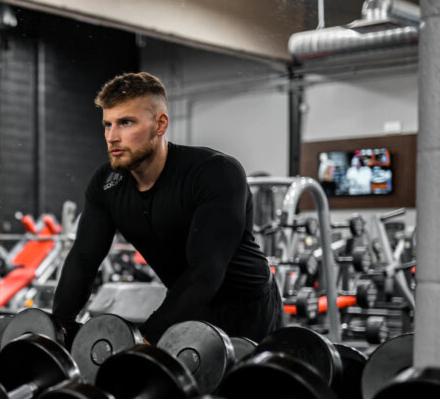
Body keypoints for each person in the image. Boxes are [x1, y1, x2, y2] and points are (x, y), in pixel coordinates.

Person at [52, 72, 283, 344]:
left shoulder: (214, 172)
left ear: (160, 124)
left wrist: (150, 337)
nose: (112, 136)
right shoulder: (106, 184)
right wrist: (58, 327)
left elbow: (206, 269)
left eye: (125, 123)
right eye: (107, 124)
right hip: (185, 305)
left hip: (247, 309)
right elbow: (84, 259)